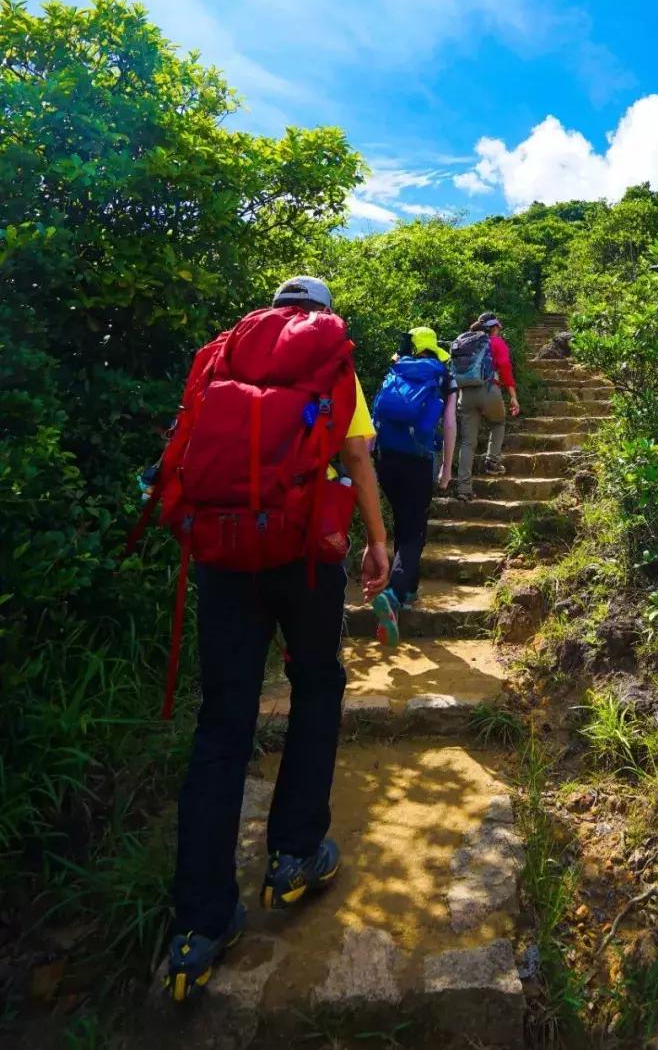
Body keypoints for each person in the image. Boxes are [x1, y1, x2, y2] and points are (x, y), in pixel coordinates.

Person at [157, 276, 389, 1002]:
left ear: (275, 309)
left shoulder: (223, 355)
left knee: (222, 723)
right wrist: (378, 543)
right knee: (318, 687)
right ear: (320, 315)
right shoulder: (331, 360)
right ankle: (293, 856)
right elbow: (355, 457)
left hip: (225, 553)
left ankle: (197, 925)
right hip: (304, 552)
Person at [369, 326, 458, 647]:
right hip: (418, 460)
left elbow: (375, 415)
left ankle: (408, 589)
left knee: (403, 523)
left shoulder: (396, 368)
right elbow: (449, 423)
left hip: (386, 458)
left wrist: (366, 463)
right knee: (414, 530)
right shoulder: (443, 376)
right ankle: (393, 594)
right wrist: (447, 467)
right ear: (433, 348)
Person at [451, 312, 520, 502]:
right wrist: (513, 396)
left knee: (467, 442)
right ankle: (492, 462)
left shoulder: (465, 341)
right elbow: (505, 368)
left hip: (465, 394)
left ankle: (464, 488)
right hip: (489, 389)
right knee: (498, 423)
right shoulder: (496, 342)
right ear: (494, 327)